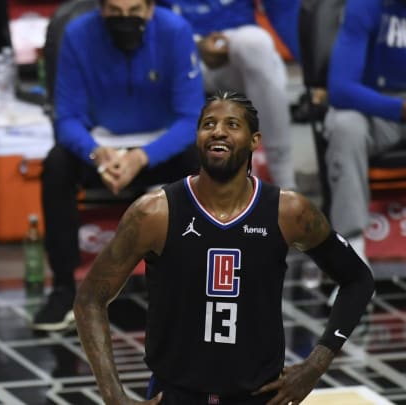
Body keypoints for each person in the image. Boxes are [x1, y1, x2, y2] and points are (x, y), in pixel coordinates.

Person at [74, 91, 374, 404]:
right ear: (197, 137)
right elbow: (89, 300)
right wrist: (114, 398)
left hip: (259, 396)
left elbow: (358, 280)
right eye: (208, 124)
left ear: (255, 140)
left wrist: (314, 366)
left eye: (232, 124)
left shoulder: (289, 212)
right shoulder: (153, 213)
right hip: (176, 396)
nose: (218, 131)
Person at [32, 0, 204, 331]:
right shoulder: (77, 34)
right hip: (102, 147)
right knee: (57, 166)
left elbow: (189, 118)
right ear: (100, 8)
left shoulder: (175, 31)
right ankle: (64, 288)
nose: (125, 19)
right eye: (115, 10)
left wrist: (142, 157)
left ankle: (196, 283)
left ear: (151, 9)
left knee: (204, 160)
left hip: (158, 146)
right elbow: (66, 117)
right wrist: (97, 154)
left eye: (134, 10)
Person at [157, 0, 299, 190]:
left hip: (234, 48)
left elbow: (286, 13)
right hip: (180, 49)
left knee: (256, 43)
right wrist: (196, 45)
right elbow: (148, 17)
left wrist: (317, 76)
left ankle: (283, 179)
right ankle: (160, 171)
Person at [324, 0, 406, 260]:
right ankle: (353, 257)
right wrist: (400, 109)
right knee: (345, 125)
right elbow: (340, 88)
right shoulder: (365, 5)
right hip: (377, 110)